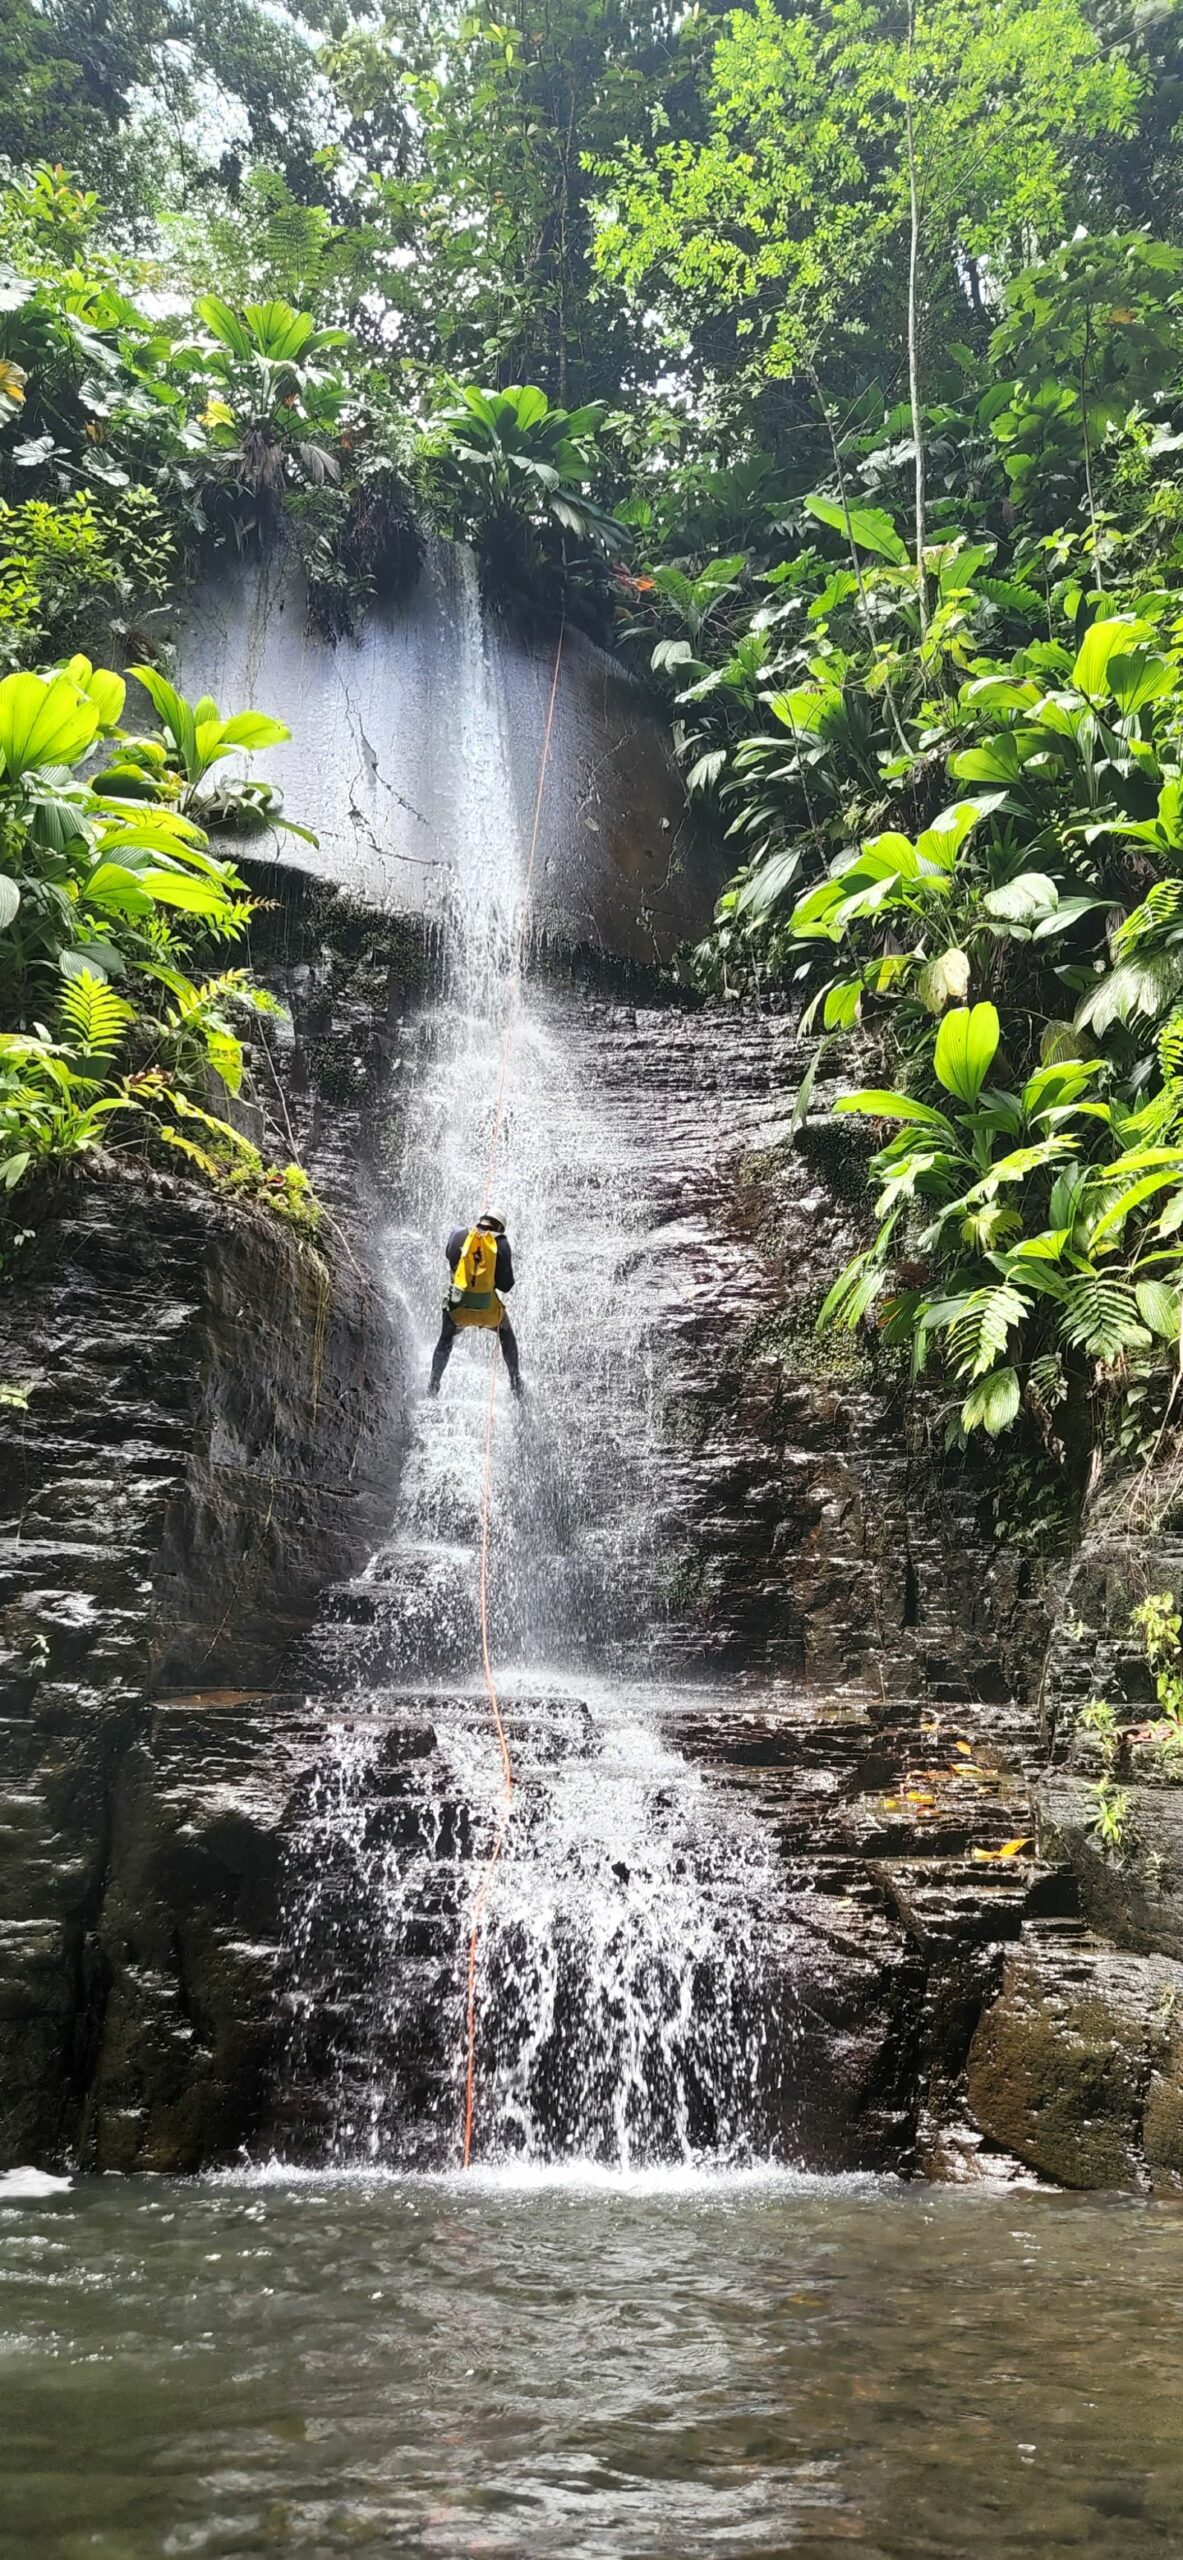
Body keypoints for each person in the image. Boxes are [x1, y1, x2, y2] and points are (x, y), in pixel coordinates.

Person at [427, 1214, 522, 1395]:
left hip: (458, 1306)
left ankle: (433, 1384)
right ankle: (515, 1381)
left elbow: (449, 1255)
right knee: (506, 1333)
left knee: (446, 1338)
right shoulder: (500, 1243)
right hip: (487, 1309)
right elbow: (506, 1285)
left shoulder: (459, 1234)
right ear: (500, 1228)